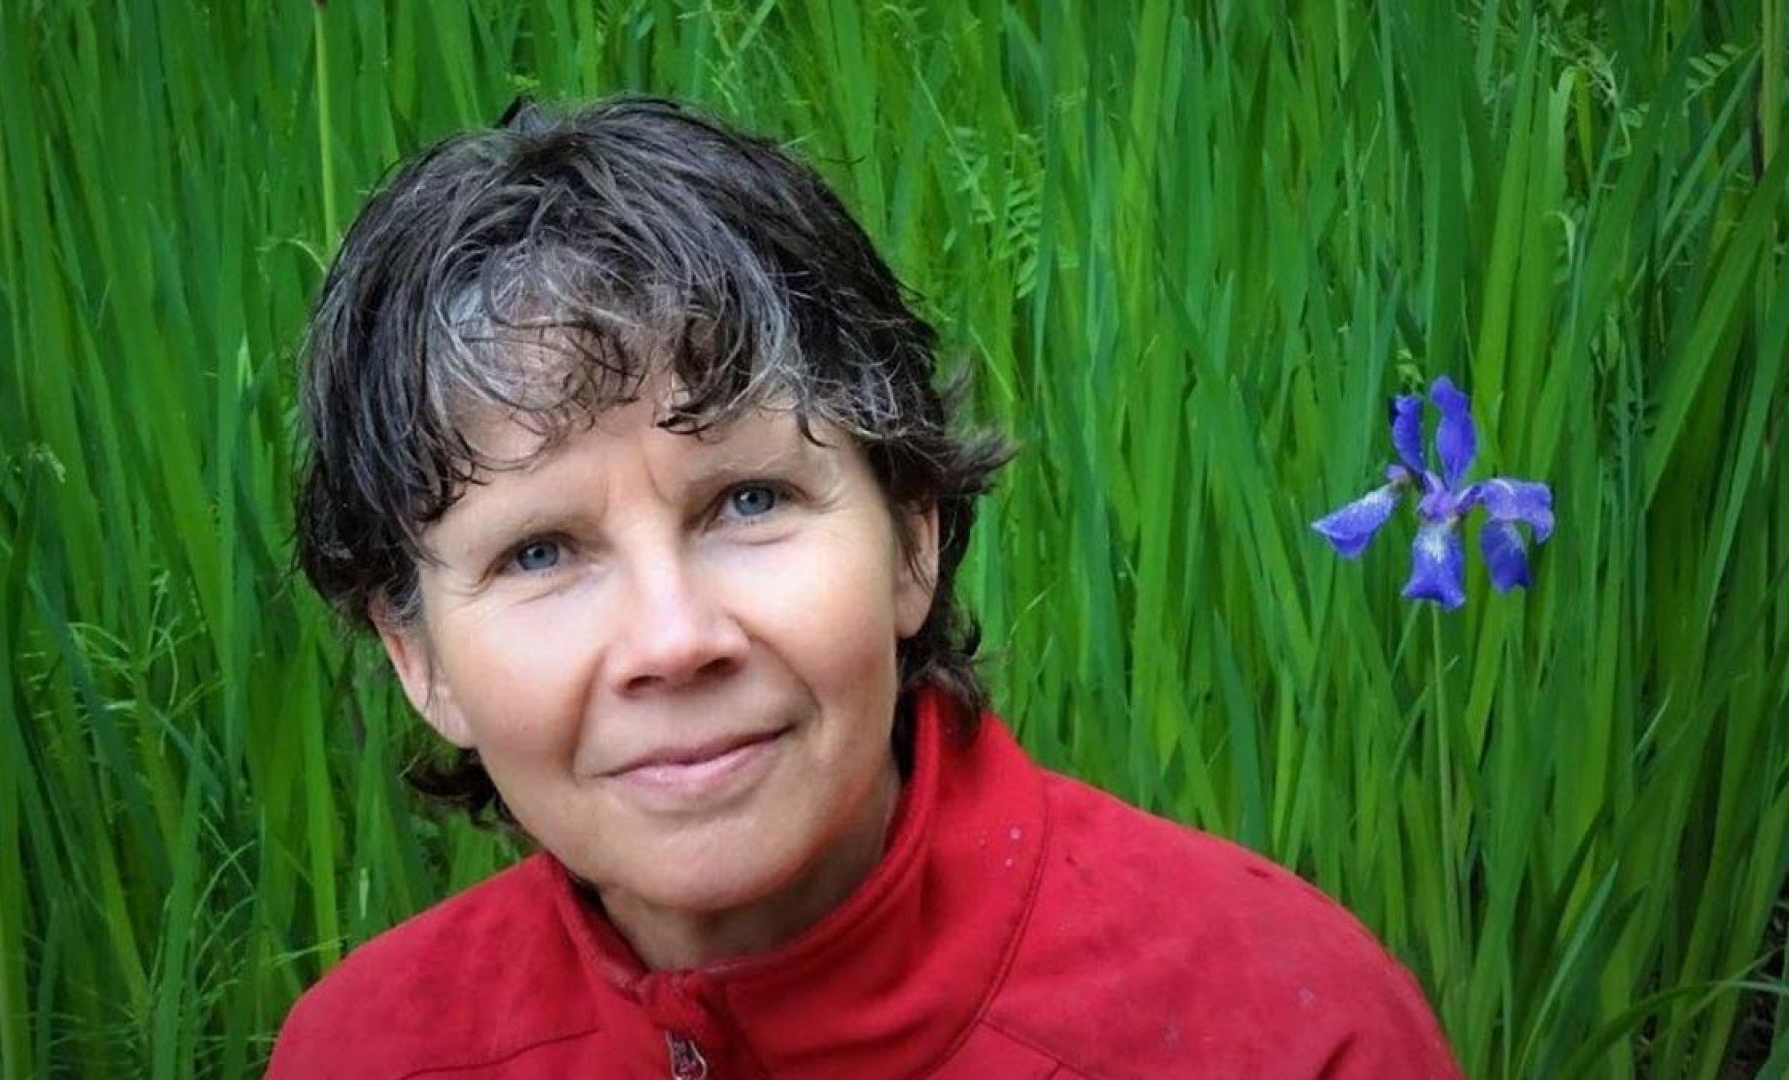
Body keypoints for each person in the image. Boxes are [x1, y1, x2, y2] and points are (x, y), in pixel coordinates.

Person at [268, 96, 1463, 1079]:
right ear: (416, 657)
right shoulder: (363, 1053)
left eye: (748, 502)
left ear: (912, 539)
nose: (673, 639)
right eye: (538, 552)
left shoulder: (1285, 1032)